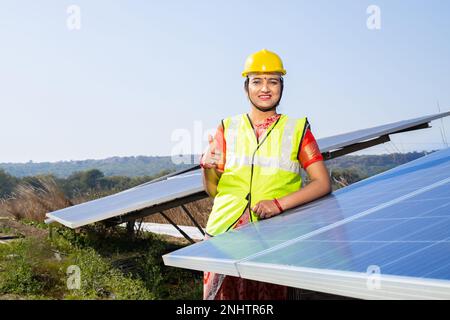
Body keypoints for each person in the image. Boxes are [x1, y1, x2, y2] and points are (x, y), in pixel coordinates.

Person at [200, 49, 332, 300]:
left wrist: (278, 204)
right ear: (246, 87)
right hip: (223, 235)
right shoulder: (226, 128)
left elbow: (322, 183)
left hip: (274, 239)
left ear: (282, 86)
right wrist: (207, 169)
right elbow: (214, 192)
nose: (265, 88)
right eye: (257, 81)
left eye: (273, 81)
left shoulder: (297, 129)